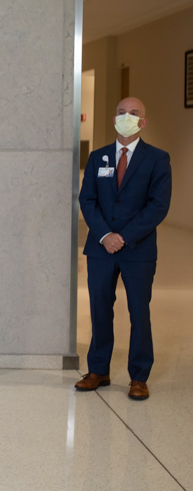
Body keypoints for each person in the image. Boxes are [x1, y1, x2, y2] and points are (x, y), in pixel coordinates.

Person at [76, 97, 172, 400]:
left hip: (138, 249)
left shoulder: (157, 158)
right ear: (114, 118)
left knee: (139, 312)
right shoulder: (98, 158)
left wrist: (124, 237)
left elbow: (158, 206)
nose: (126, 117)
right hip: (100, 248)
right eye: (121, 112)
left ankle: (139, 376)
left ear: (142, 122)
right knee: (99, 309)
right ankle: (98, 370)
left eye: (133, 113)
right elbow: (87, 200)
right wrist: (105, 235)